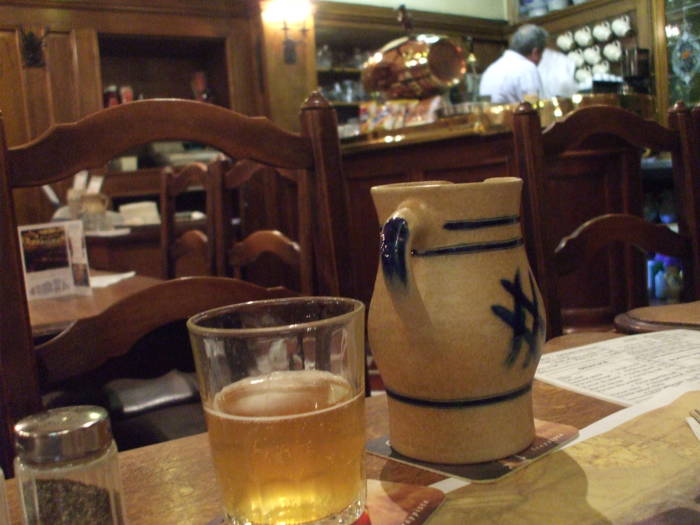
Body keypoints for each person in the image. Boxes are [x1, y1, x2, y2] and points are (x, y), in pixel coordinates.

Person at [479, 24, 547, 104]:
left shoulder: (491, 69)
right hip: (511, 116)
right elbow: (537, 108)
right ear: (535, 52)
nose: (541, 59)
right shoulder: (527, 68)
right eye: (541, 54)